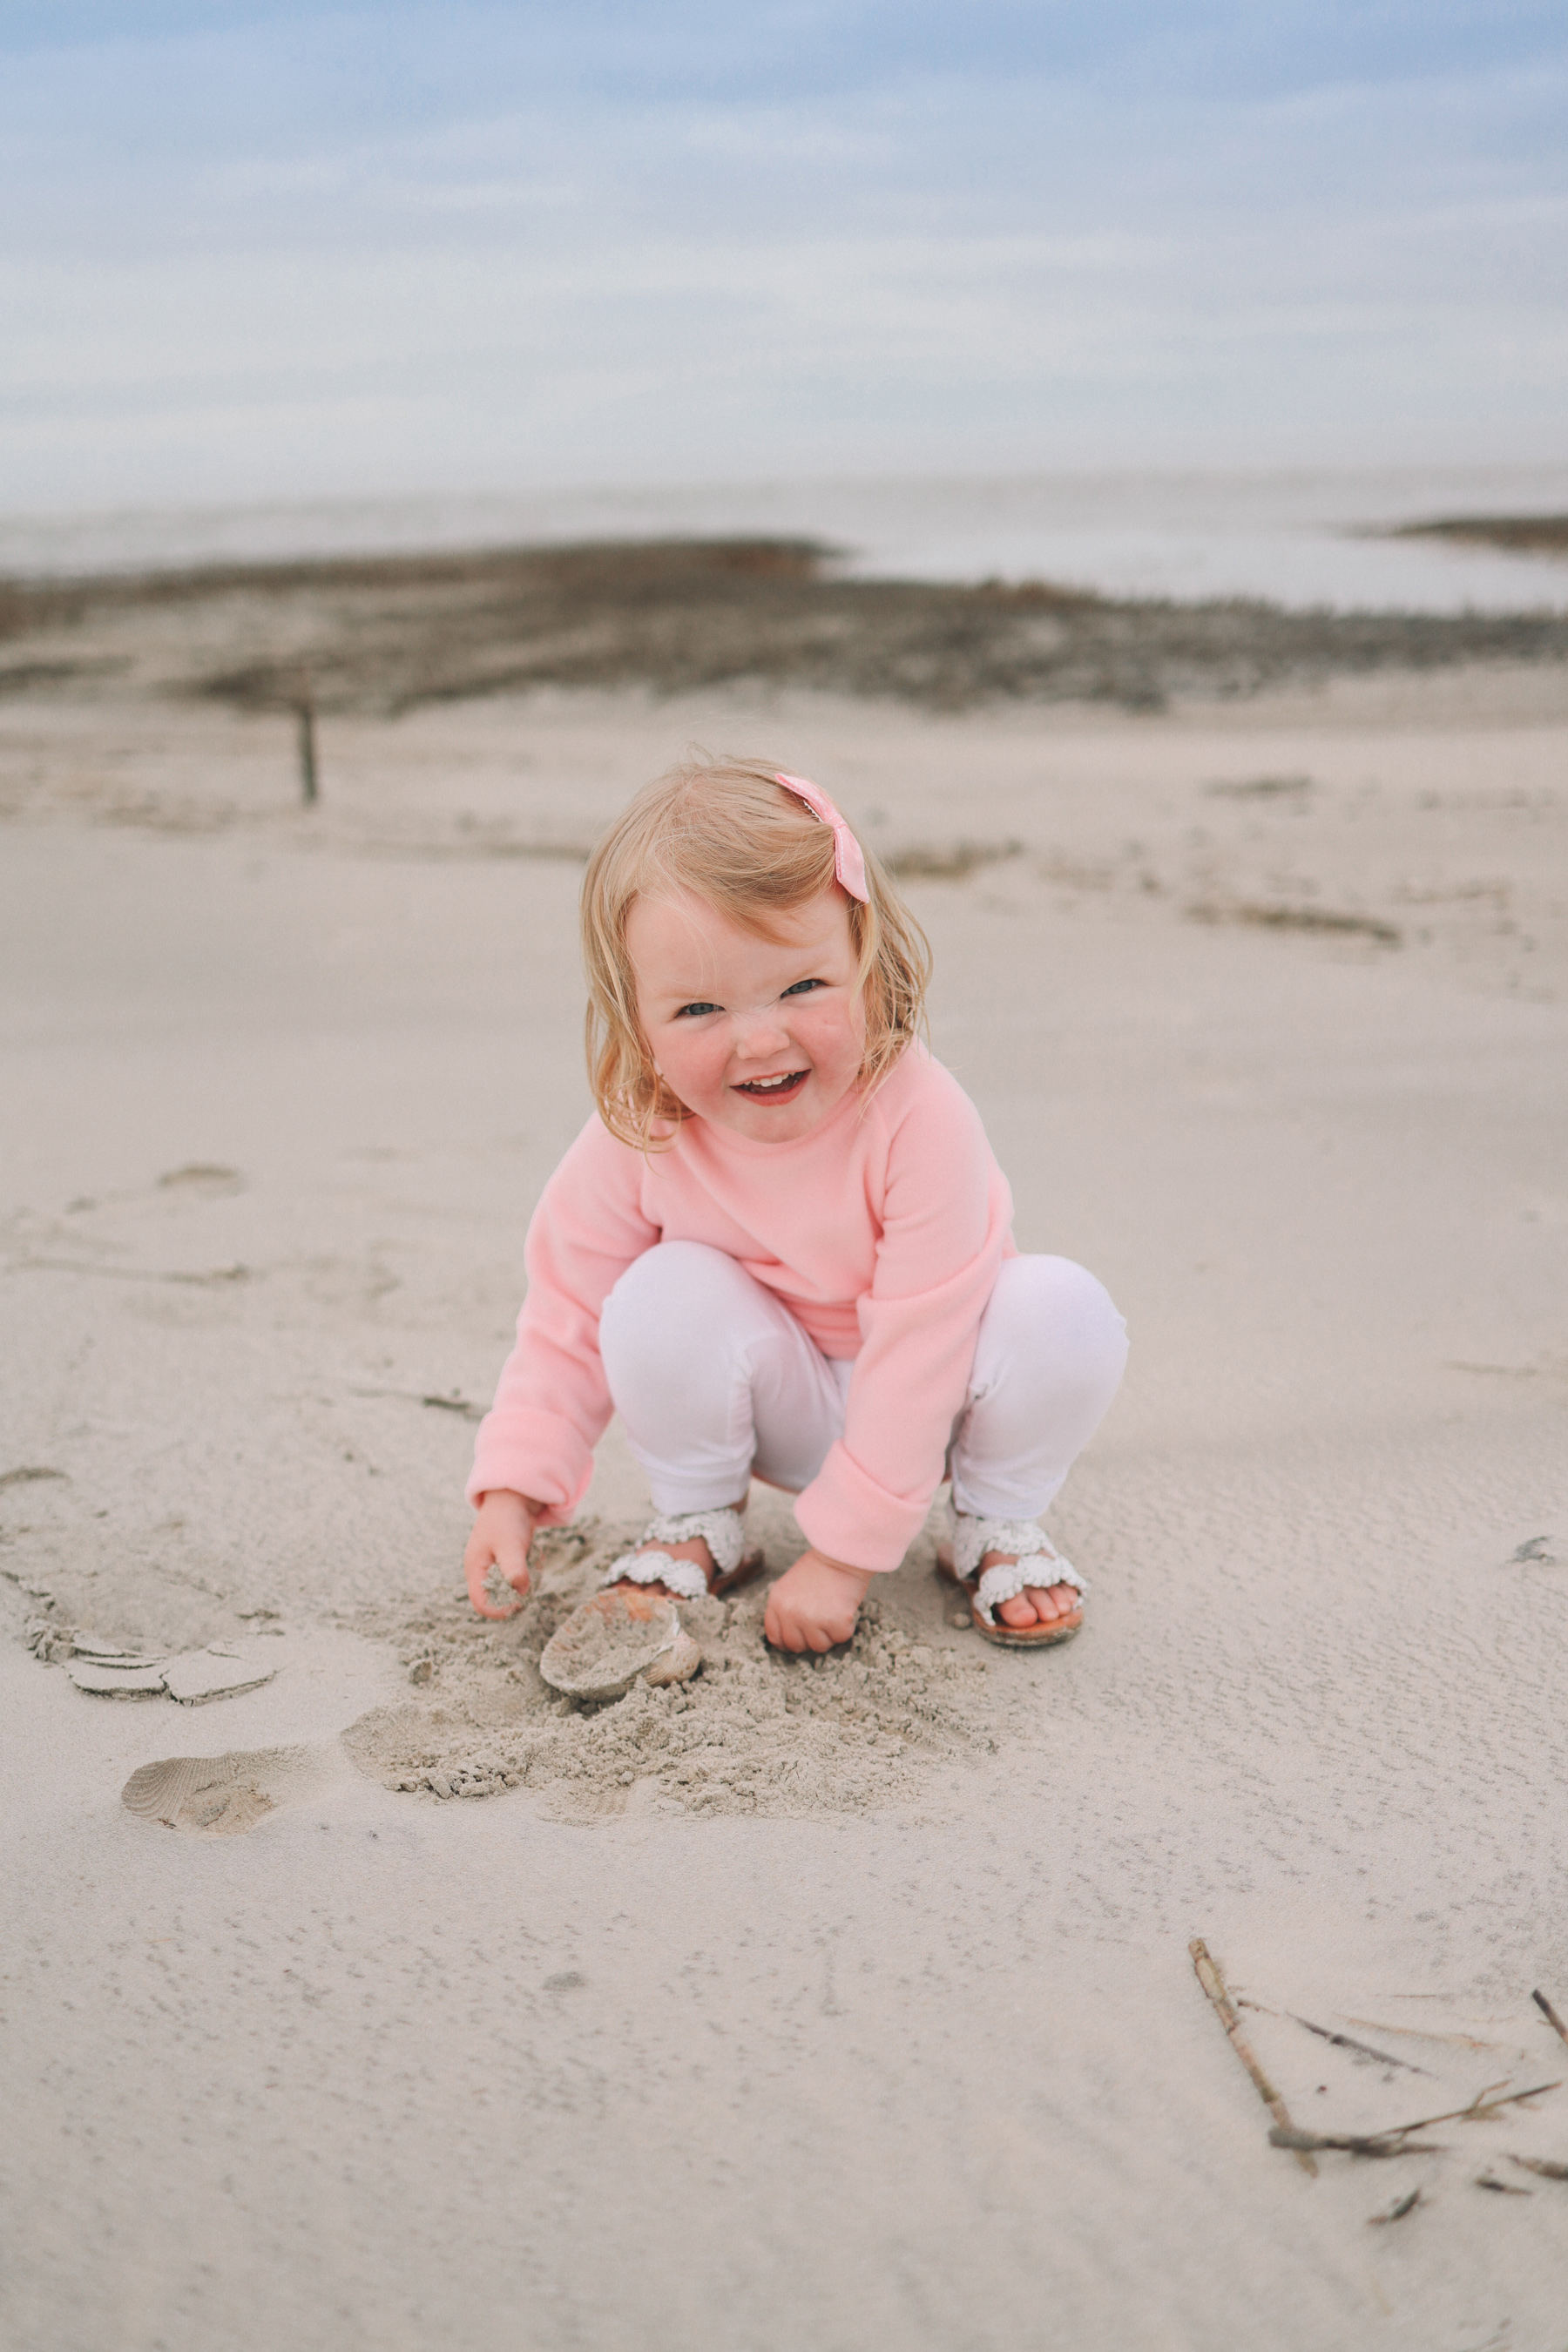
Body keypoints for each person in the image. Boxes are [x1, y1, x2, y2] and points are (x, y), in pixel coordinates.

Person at [463, 759, 1128, 1655]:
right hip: (774, 1400)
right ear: (637, 1025)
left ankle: (992, 1520)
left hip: (938, 1404)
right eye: (699, 1008)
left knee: (1064, 1309)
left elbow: (926, 1344)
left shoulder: (920, 1117)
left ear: (868, 963)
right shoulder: (642, 1133)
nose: (760, 1038)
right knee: (655, 1290)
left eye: (803, 987)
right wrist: (513, 1488)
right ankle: (700, 1516)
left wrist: (844, 1560)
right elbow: (567, 1313)